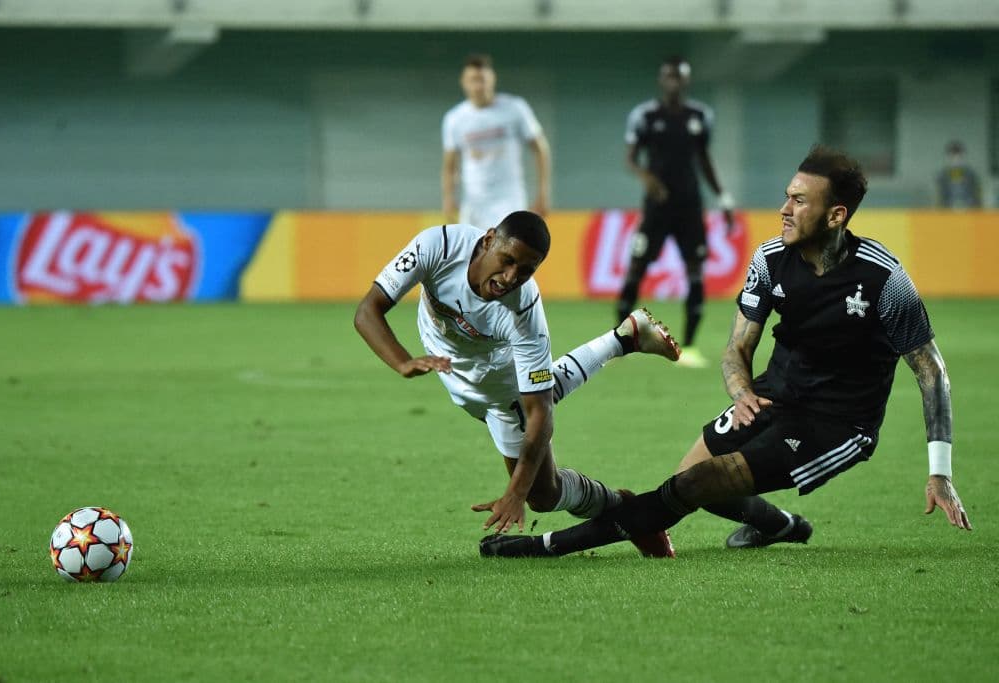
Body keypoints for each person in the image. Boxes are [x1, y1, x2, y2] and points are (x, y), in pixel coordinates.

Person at [481, 146, 972, 560]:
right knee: (690, 480)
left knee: (696, 484)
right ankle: (781, 525)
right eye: (786, 195)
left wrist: (940, 472)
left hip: (838, 423)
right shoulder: (769, 258)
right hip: (772, 396)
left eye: (799, 201)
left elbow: (931, 372)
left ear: (835, 214)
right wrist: (741, 391)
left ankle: (548, 546)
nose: (784, 208)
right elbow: (738, 346)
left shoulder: (884, 279)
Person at [355, 211, 681, 556]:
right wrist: (402, 361)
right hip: (453, 368)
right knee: (543, 390)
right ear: (488, 240)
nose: (511, 277)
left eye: (525, 271)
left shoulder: (524, 310)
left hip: (498, 386)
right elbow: (367, 311)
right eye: (507, 260)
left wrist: (515, 493)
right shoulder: (439, 246)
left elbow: (540, 410)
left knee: (544, 495)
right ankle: (623, 339)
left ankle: (622, 508)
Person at [617, 56, 735, 369]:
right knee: (635, 268)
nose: (673, 82)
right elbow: (630, 159)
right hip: (656, 208)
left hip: (690, 207)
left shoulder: (699, 116)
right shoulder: (645, 116)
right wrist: (649, 179)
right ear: (661, 79)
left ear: (686, 81)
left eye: (679, 77)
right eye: (668, 76)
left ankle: (691, 347)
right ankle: (616, 343)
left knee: (696, 271)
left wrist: (723, 199)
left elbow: (704, 160)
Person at [441, 54, 551, 228]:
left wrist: (543, 193)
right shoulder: (454, 118)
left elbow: (540, 149)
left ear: (492, 79)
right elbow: (450, 165)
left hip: (509, 200)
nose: (478, 86)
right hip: (474, 203)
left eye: (482, 79)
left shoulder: (515, 108)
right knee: (473, 253)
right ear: (463, 82)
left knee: (509, 251)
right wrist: (448, 197)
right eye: (473, 80)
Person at [935, 140, 982, 209]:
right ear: (948, 157)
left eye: (959, 156)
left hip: (970, 212)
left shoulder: (971, 175)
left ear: (963, 156)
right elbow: (940, 197)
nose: (956, 159)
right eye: (953, 156)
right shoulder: (942, 176)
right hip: (948, 212)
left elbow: (977, 196)